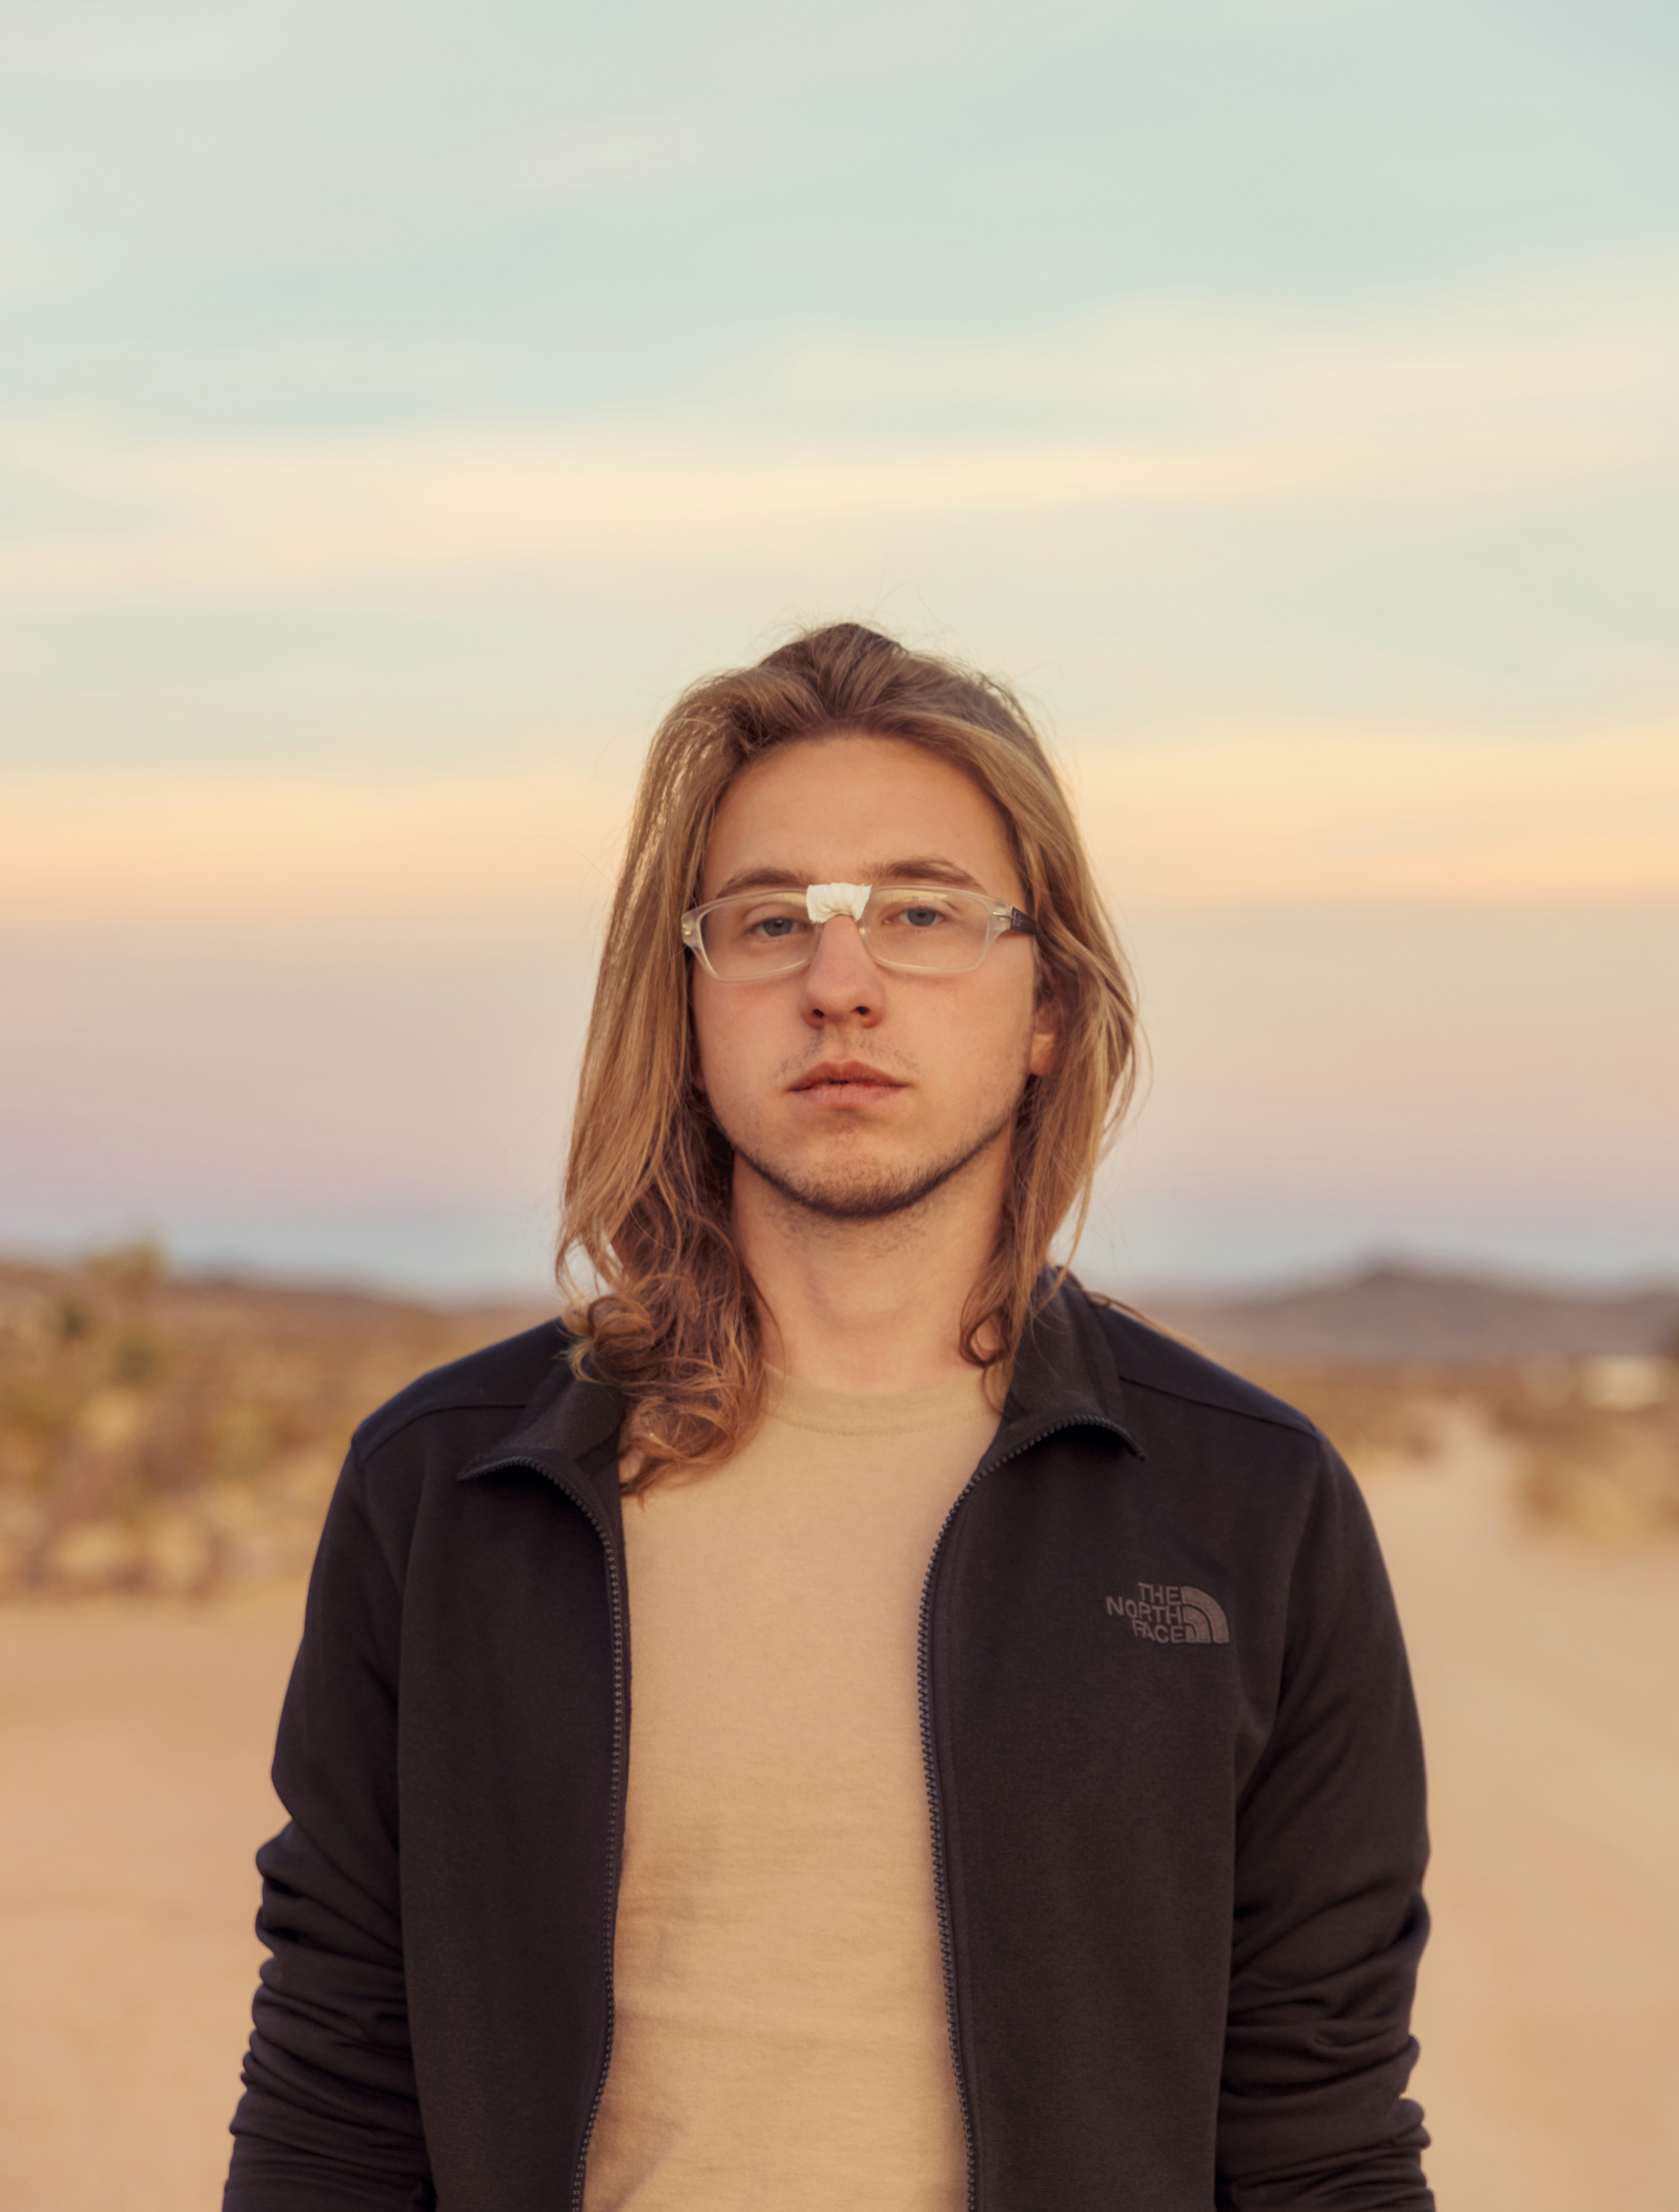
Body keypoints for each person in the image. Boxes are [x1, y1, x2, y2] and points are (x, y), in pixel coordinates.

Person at [224, 622, 1433, 2212]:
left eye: (921, 912)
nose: (839, 982)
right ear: (689, 1002)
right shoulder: (449, 1491)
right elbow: (334, 2098)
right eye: (769, 919)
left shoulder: (1248, 1507)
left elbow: (1322, 2143)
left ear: (1048, 1006)